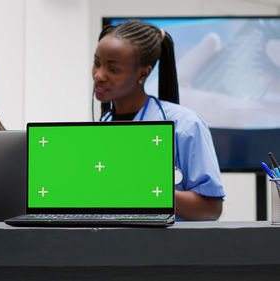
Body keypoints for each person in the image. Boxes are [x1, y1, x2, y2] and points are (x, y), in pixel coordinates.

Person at [93, 20, 225, 221]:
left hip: (164, 248)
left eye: (114, 69)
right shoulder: (101, 125)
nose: (99, 75)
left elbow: (211, 209)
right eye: (97, 63)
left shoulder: (185, 124)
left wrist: (149, 190)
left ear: (143, 73)